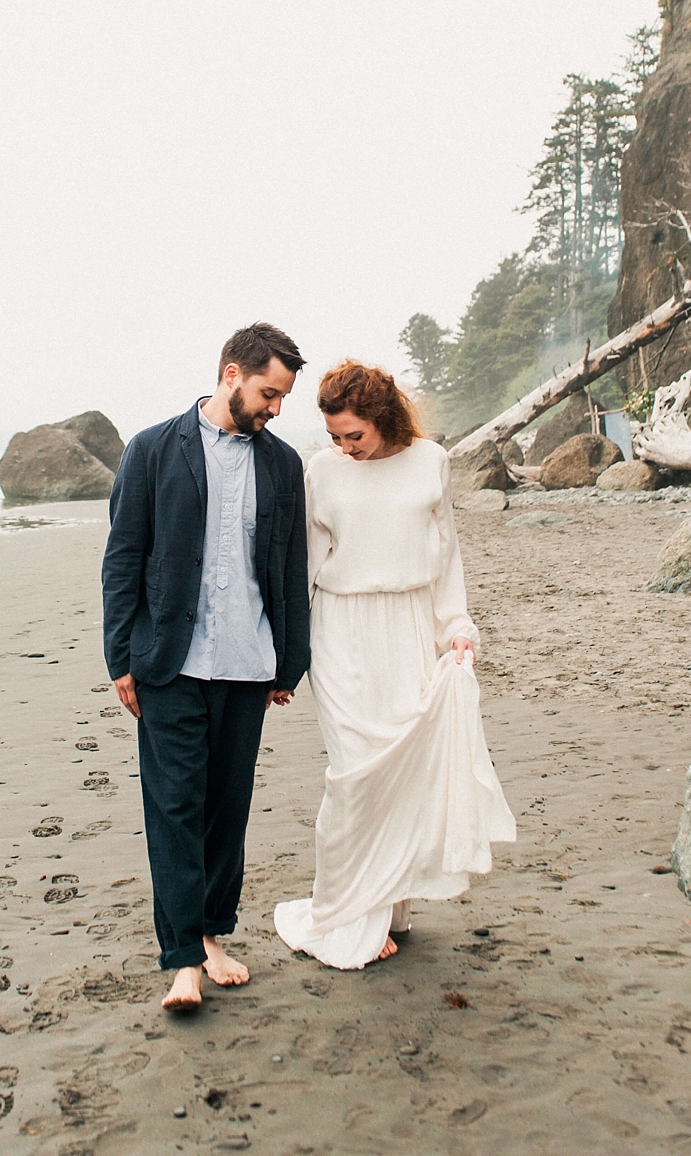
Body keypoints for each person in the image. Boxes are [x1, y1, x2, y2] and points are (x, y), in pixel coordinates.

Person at [273, 361, 516, 969]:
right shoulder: (321, 471)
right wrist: (286, 655)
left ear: (382, 419)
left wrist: (456, 628)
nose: (344, 448)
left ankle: (390, 905)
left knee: (405, 772)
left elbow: (447, 554)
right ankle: (346, 913)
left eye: (353, 434)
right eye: (334, 436)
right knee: (355, 777)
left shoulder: (431, 460)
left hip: (409, 630)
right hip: (341, 634)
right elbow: (303, 566)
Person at [101, 322, 312, 1011]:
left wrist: (290, 659)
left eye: (282, 398)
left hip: (249, 665)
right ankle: (184, 959)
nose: (275, 407)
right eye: (268, 392)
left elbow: (288, 567)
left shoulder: (282, 466)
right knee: (174, 806)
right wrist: (120, 655)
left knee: (227, 808)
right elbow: (124, 557)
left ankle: (214, 934)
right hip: (169, 662)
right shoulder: (154, 449)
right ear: (231, 374)